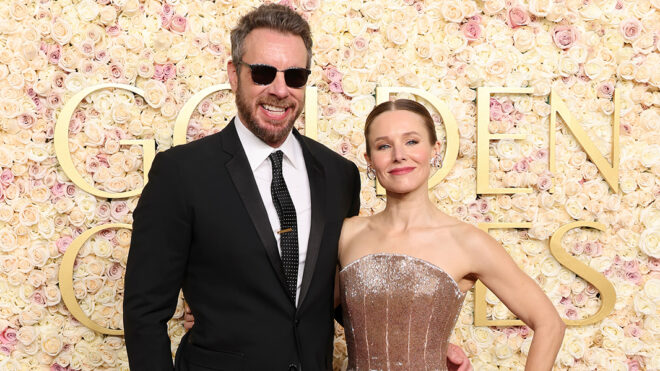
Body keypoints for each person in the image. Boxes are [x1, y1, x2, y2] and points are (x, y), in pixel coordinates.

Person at [123, 4, 471, 371]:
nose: (279, 89)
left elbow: (335, 296)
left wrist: (419, 342)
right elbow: (144, 311)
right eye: (262, 73)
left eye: (294, 76)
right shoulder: (182, 173)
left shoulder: (339, 174)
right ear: (233, 74)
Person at [336, 99, 566, 370]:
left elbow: (550, 323)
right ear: (369, 160)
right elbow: (312, 313)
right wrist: (422, 340)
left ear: (435, 150)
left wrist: (428, 343)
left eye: (411, 142)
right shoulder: (346, 234)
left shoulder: (466, 242)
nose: (399, 155)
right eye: (384, 146)